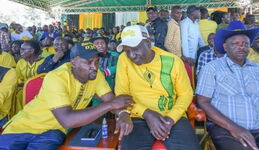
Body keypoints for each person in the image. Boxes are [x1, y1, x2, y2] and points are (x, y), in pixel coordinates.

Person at [0, 42, 133, 149]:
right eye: (89, 62)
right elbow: (67, 119)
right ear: (73, 63)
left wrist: (122, 114)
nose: (94, 67)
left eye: (97, 62)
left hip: (54, 130)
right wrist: (110, 105)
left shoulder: (96, 75)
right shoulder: (56, 77)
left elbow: (110, 99)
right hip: (23, 126)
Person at [196, 20, 259, 150]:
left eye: (245, 43)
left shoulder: (258, 69)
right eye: (236, 44)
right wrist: (233, 128)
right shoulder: (212, 68)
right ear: (225, 46)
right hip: (228, 130)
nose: (242, 47)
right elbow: (203, 102)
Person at [115, 25, 200, 150]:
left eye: (135, 49)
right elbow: (122, 94)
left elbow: (186, 94)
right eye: (127, 51)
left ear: (148, 43)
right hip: (137, 116)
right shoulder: (124, 59)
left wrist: (170, 119)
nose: (132, 55)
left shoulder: (173, 61)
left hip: (172, 116)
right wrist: (147, 113)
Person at [13, 40, 45, 116]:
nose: (20, 51)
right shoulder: (21, 62)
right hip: (22, 91)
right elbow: (17, 77)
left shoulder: (43, 62)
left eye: (23, 49)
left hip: (40, 92)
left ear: (32, 51)